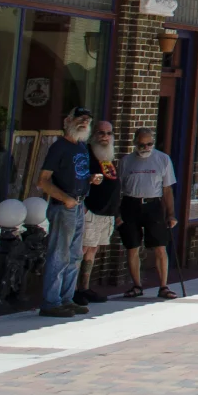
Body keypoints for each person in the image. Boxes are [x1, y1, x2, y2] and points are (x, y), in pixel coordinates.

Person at [35, 107, 94, 318]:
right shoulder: (58, 147)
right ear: (68, 120)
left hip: (78, 205)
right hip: (63, 207)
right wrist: (66, 199)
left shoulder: (82, 147)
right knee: (59, 255)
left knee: (75, 255)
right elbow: (43, 180)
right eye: (80, 119)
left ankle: (67, 299)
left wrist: (90, 181)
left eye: (87, 120)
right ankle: (51, 302)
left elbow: (76, 174)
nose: (84, 122)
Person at [117, 127, 179, 300]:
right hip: (130, 204)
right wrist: (117, 213)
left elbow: (167, 190)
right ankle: (137, 285)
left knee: (160, 246)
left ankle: (164, 286)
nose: (145, 147)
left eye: (149, 144)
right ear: (135, 143)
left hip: (153, 205)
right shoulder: (126, 161)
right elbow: (118, 190)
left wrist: (171, 214)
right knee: (132, 247)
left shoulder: (163, 159)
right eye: (141, 144)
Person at [77, 118, 121, 304]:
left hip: (106, 213)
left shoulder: (107, 155)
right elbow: (77, 178)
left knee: (92, 250)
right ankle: (71, 290)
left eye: (109, 133)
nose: (105, 137)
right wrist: (84, 208)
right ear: (93, 135)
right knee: (82, 249)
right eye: (101, 133)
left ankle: (84, 288)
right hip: (91, 211)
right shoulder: (86, 153)